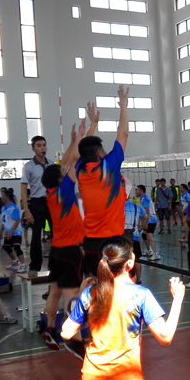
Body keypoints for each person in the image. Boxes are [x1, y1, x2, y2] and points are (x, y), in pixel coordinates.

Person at [61, 237, 185, 380]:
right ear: (129, 263)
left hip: (92, 379)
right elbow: (165, 337)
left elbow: (66, 333)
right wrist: (178, 299)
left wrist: (80, 296)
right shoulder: (140, 294)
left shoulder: (90, 293)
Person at [41, 120, 87, 350]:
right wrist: (82, 136)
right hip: (70, 250)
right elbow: (75, 159)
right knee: (72, 293)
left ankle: (49, 329)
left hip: (56, 250)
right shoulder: (65, 190)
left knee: (54, 292)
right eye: (61, 172)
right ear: (60, 178)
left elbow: (65, 162)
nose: (63, 169)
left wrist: (72, 140)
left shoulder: (50, 193)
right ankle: (74, 339)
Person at [77, 89, 132, 275]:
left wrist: (93, 124)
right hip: (112, 241)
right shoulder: (109, 167)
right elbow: (123, 133)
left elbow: (84, 148)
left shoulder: (80, 171)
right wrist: (123, 105)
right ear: (101, 154)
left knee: (94, 282)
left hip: (90, 242)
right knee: (115, 283)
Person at [21, 133, 55, 276]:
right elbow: (23, 189)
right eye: (39, 146)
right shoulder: (29, 166)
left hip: (52, 202)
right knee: (36, 235)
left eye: (44, 145)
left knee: (56, 234)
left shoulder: (51, 164)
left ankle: (56, 264)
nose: (43, 148)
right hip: (37, 202)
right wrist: (27, 210)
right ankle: (34, 266)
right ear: (33, 149)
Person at [124, 187, 148, 286]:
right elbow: (146, 217)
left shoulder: (117, 207)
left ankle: (126, 279)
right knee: (137, 258)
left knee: (123, 259)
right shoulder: (136, 207)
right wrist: (141, 227)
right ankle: (138, 279)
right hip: (135, 236)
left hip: (122, 237)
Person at [0, 189, 28, 273]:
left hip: (16, 232)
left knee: (16, 247)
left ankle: (23, 265)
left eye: (3, 195)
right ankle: (14, 261)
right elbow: (4, 221)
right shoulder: (3, 208)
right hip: (8, 232)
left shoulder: (14, 208)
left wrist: (11, 232)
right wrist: (1, 231)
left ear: (7, 197)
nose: (1, 197)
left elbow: (17, 221)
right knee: (6, 247)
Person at [137, 185, 159, 260]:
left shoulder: (145, 199)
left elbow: (147, 211)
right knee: (144, 235)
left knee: (149, 236)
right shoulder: (142, 198)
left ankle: (156, 254)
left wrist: (145, 223)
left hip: (151, 220)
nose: (136, 191)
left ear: (141, 191)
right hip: (148, 220)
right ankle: (149, 251)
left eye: (137, 190)